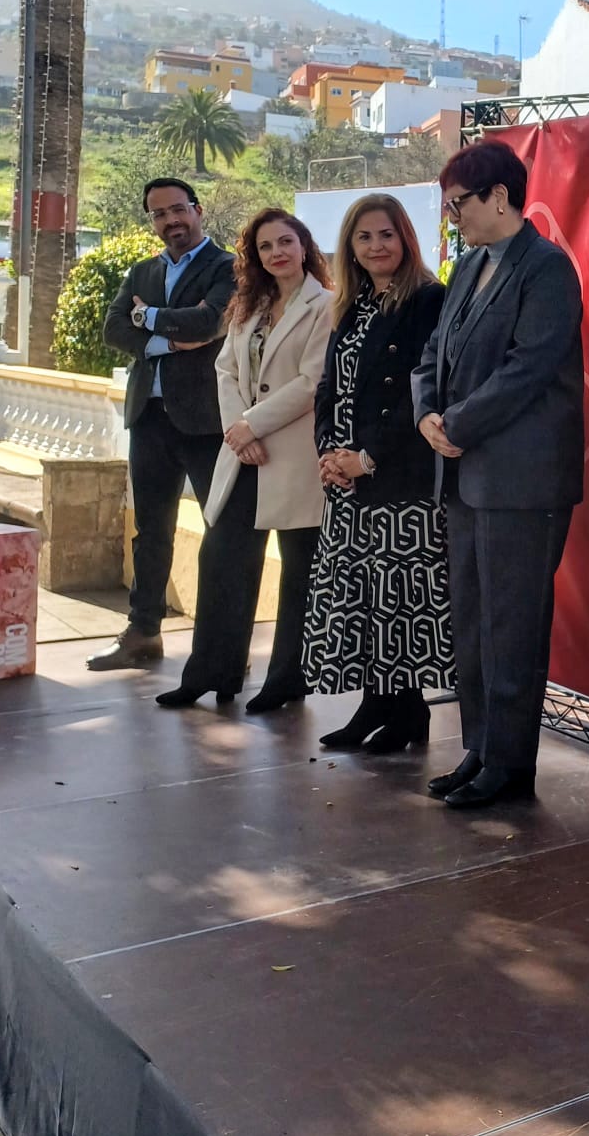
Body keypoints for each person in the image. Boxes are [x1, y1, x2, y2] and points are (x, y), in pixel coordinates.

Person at [412, 143, 585, 811]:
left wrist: (456, 424)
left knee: (512, 627)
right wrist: (427, 415)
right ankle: (480, 749)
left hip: (522, 483)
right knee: (473, 623)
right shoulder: (467, 267)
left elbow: (528, 368)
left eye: (459, 203)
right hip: (464, 474)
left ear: (500, 198)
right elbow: (433, 354)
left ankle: (509, 766)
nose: (452, 217)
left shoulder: (546, 268)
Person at [156, 209, 332, 713]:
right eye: (265, 246)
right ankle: (210, 673)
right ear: (254, 256)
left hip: (295, 457)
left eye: (286, 242)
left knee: (299, 571)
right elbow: (225, 370)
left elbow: (312, 382)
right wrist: (240, 433)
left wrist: (251, 425)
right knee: (222, 560)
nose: (277, 253)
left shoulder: (326, 305)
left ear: (304, 245)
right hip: (245, 454)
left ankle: (287, 679)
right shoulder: (247, 306)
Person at [304, 195, 453, 754]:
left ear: (406, 238)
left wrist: (367, 458)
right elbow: (328, 387)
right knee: (363, 601)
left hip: (399, 479)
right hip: (347, 483)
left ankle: (407, 711)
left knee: (399, 604)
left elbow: (423, 391)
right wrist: (329, 453)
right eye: (363, 237)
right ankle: (380, 704)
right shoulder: (351, 305)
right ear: (349, 247)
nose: (375, 246)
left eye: (386, 234)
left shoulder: (428, 300)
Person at [93, 181, 236, 670]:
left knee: (222, 532)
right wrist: (168, 341)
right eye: (159, 214)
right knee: (150, 531)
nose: (171, 220)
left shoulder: (228, 268)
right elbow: (114, 329)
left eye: (178, 209)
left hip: (206, 422)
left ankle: (222, 644)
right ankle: (142, 632)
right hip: (148, 418)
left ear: (198, 210)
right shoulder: (143, 270)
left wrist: (147, 316)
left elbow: (209, 323)